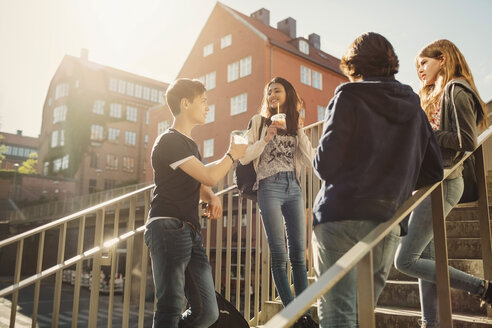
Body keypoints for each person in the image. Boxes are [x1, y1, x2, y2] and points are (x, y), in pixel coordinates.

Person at [311, 32, 444, 328]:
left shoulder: (348, 95)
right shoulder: (413, 104)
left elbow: (325, 165)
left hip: (340, 215)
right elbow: (435, 170)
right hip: (387, 220)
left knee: (338, 316)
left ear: (355, 64)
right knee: (362, 316)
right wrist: (396, 181)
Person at [394, 39, 489, 328]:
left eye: (424, 62)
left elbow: (466, 141)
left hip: (445, 182)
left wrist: (427, 136)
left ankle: (483, 288)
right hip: (430, 183)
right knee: (424, 259)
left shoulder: (456, 89)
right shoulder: (436, 92)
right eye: (417, 66)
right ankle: (430, 323)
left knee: (405, 260)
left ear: (443, 59)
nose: (420, 69)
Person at [144, 78, 247, 328]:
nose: (207, 107)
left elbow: (200, 178)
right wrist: (233, 154)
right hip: (168, 226)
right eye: (203, 101)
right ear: (186, 103)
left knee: (208, 311)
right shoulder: (169, 141)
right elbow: (209, 175)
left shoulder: (188, 145)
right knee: (170, 306)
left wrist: (210, 195)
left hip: (190, 230)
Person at [239, 77, 317, 328]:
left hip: (293, 187)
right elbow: (243, 158)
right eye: (269, 91)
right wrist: (265, 138)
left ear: (287, 94)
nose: (273, 94)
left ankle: (303, 315)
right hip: (269, 186)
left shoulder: (295, 124)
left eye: (278, 90)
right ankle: (294, 315)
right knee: (279, 253)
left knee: (298, 254)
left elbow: (310, 156)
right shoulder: (258, 121)